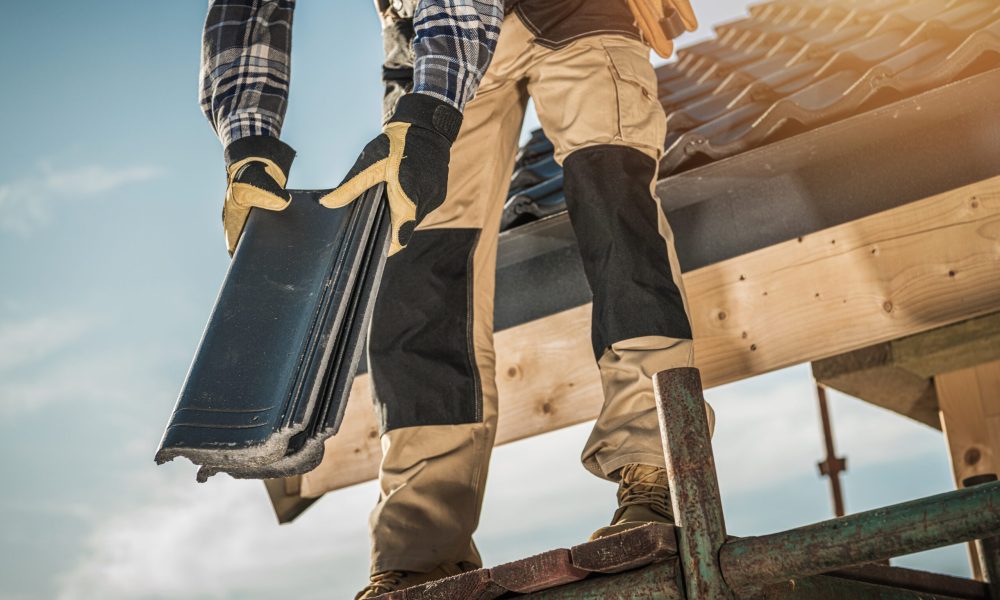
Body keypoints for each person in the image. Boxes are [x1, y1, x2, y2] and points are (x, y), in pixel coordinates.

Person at [198, 1, 707, 598]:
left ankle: (656, 468)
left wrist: (431, 119)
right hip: (427, 34)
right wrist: (248, 146)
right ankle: (420, 548)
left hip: (573, 11)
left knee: (614, 204)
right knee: (419, 269)